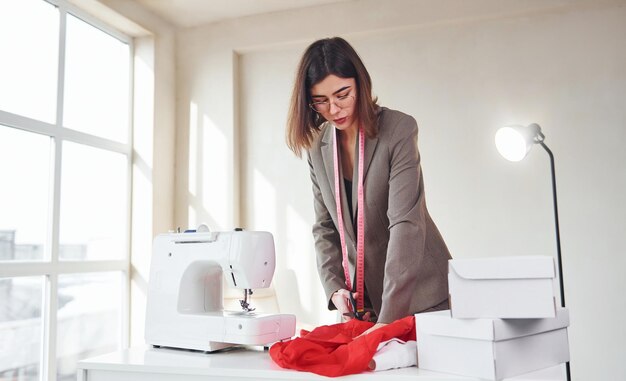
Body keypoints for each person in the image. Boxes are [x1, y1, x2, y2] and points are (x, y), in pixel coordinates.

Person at [286, 37, 451, 335]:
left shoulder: (398, 130)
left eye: (342, 94)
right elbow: (325, 227)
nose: (334, 109)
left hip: (422, 295)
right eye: (321, 101)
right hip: (365, 305)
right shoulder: (317, 147)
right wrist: (335, 288)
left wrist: (387, 320)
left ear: (360, 83)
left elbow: (406, 224)